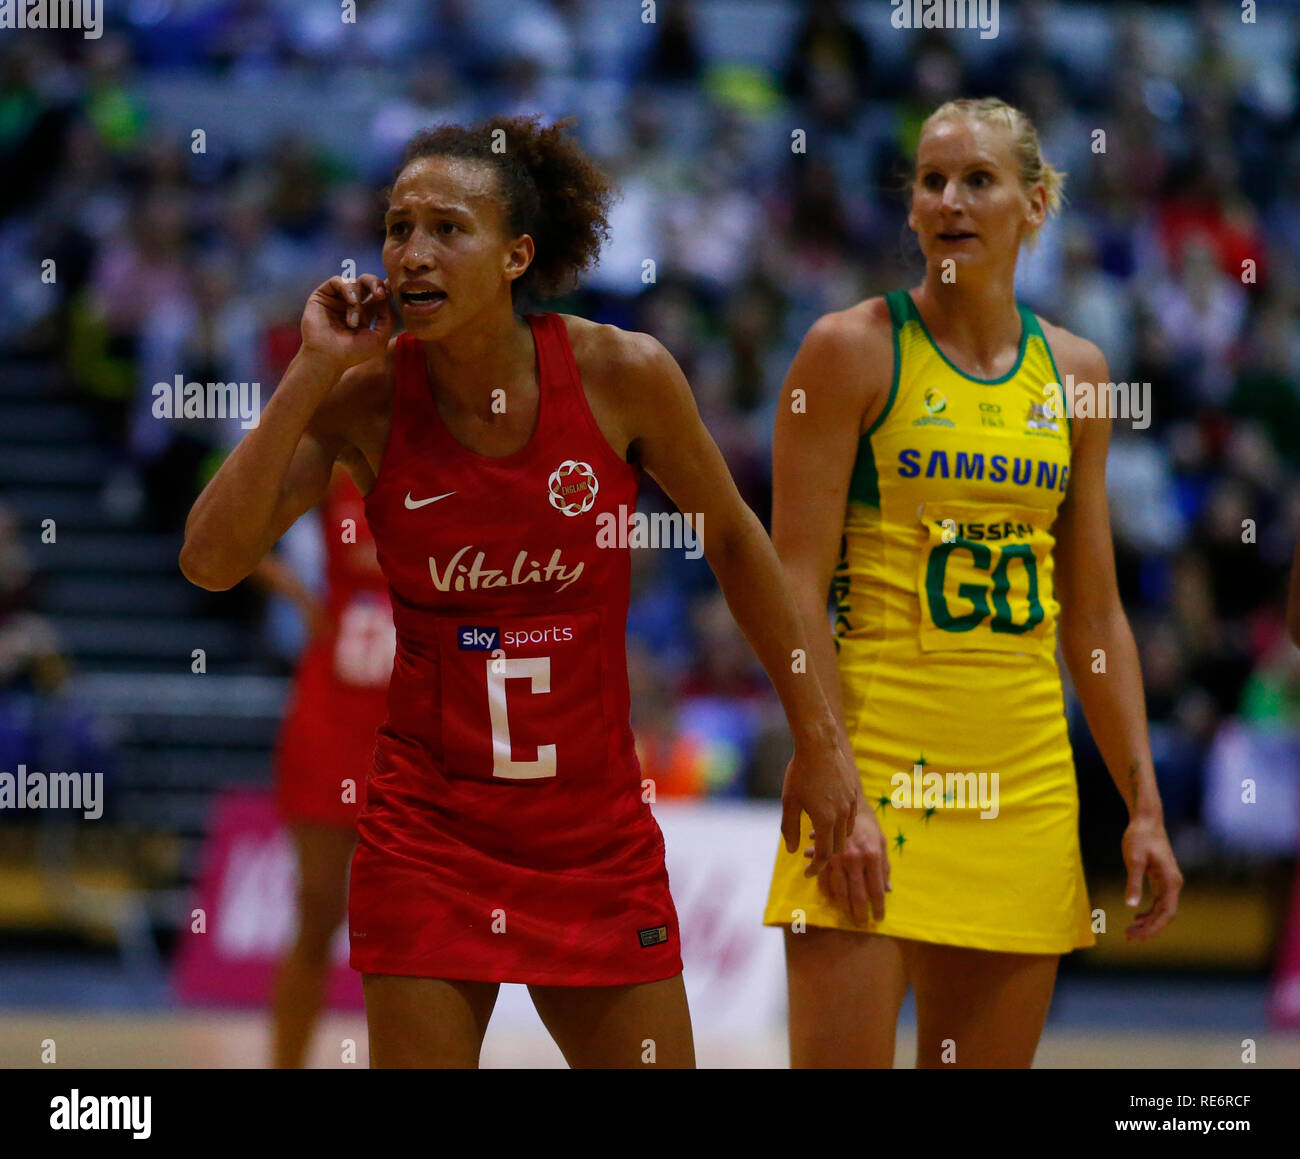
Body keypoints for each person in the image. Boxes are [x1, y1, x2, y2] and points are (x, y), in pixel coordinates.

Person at [180, 115, 859, 1069]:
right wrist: (309, 371)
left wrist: (821, 745)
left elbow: (742, 549)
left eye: (448, 228)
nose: (413, 251)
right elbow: (209, 559)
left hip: (594, 836)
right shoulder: (367, 396)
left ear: (516, 255)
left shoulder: (624, 374)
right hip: (428, 838)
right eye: (397, 226)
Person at [763, 97, 1184, 1069]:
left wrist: (1142, 805)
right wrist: (825, 765)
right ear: (910, 207)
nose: (949, 199)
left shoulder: (1077, 375)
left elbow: (1094, 614)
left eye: (978, 180)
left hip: (1022, 784)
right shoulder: (848, 350)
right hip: (868, 768)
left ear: (1035, 205)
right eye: (930, 179)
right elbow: (789, 581)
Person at [258, 468, 394, 1068]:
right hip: (331, 711)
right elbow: (232, 529)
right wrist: (303, 601)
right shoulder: (334, 466)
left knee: (411, 927)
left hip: (413, 717)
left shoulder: (452, 463)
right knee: (317, 909)